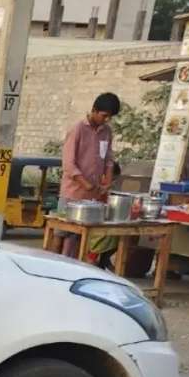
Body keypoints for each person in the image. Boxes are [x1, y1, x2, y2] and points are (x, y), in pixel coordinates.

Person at [58, 93, 120, 258]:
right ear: (94, 110)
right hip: (72, 193)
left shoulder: (106, 132)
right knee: (61, 234)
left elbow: (108, 159)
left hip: (92, 196)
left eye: (109, 117)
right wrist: (85, 184)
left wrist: (107, 180)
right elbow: (69, 164)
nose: (106, 120)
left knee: (80, 237)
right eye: (104, 116)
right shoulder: (77, 129)